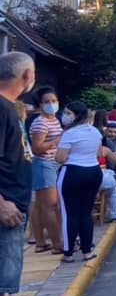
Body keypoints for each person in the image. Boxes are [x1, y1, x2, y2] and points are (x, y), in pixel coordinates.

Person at [0, 53, 38, 296]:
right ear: (26, 76)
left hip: (14, 206)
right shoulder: (0, 108)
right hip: (5, 207)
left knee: (4, 279)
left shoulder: (8, 109)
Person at [54, 101, 102, 263]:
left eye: (68, 113)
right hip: (93, 172)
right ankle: (87, 251)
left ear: (76, 115)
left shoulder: (69, 134)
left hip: (72, 173)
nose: (64, 116)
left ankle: (68, 253)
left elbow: (59, 158)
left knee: (69, 214)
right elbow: (98, 153)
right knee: (85, 213)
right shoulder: (95, 132)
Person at [27, 86, 64, 254]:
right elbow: (37, 148)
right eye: (47, 102)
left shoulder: (55, 120)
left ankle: (46, 242)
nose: (51, 104)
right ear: (40, 105)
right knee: (49, 206)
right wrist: (57, 140)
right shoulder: (40, 123)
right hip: (44, 165)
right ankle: (58, 243)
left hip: (54, 164)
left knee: (49, 206)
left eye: (54, 101)